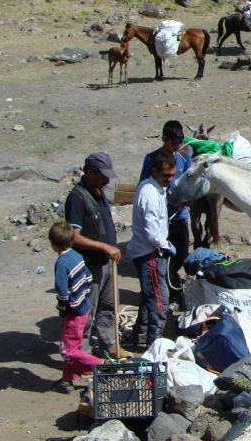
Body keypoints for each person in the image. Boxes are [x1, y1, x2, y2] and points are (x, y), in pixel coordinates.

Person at [64, 152, 130, 359]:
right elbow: (73, 237)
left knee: (108, 308)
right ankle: (80, 356)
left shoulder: (99, 192)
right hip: (88, 265)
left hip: (106, 263)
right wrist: (103, 247)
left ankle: (109, 346)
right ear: (90, 172)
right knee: (85, 312)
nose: (108, 180)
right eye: (103, 175)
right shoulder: (77, 198)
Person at [139, 120, 192, 308]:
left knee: (182, 254)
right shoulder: (151, 159)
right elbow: (144, 186)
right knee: (165, 257)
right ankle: (175, 294)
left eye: (179, 143)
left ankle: (168, 285)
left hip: (180, 215)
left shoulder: (184, 157)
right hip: (160, 220)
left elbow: (188, 182)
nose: (177, 147)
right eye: (174, 143)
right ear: (164, 139)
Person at [128, 150, 177, 348]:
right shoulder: (149, 193)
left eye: (172, 175)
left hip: (151, 250)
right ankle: (154, 345)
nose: (170, 180)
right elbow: (151, 232)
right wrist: (165, 246)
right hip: (150, 253)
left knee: (148, 297)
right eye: (166, 176)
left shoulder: (156, 187)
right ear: (155, 171)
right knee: (159, 302)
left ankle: (139, 335)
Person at [49, 222, 104, 393]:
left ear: (53, 244)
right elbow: (88, 277)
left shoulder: (62, 263)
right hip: (84, 306)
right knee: (72, 344)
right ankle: (68, 379)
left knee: (68, 349)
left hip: (73, 311)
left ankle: (101, 365)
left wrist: (63, 306)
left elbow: (61, 289)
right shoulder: (77, 256)